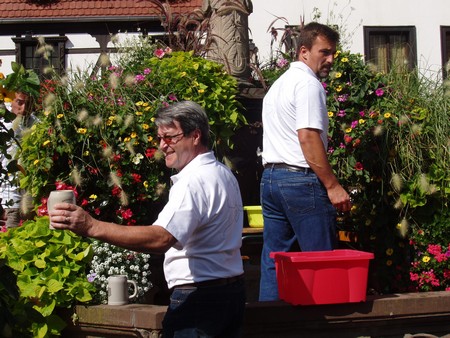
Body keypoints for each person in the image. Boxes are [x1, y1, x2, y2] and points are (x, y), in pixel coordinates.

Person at [50, 100, 246, 337]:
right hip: (230, 293)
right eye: (160, 138)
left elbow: (161, 238)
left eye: (170, 137)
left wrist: (91, 226)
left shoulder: (194, 181)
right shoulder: (222, 173)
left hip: (200, 301)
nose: (162, 145)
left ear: (195, 136)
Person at [259, 22, 352, 301]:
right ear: (303, 51)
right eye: (324, 52)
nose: (330, 59)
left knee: (275, 260)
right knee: (319, 260)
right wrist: (333, 185)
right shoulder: (308, 85)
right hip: (301, 181)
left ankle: (270, 327)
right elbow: (308, 137)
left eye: (333, 53)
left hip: (271, 179)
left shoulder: (279, 85)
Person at [0, 90, 37, 228]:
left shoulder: (36, 124)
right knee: (9, 236)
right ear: (11, 102)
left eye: (28, 104)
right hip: (8, 196)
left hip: (30, 194)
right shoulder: (3, 125)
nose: (24, 108)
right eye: (20, 103)